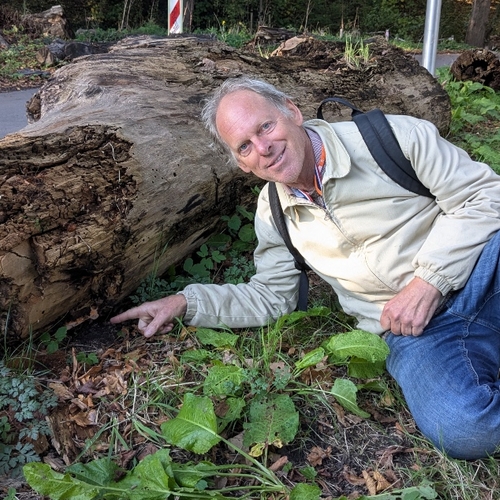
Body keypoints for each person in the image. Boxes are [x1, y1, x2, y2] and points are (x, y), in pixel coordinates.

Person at [111, 77, 500, 460]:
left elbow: (484, 195)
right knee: (463, 426)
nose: (264, 148)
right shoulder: (273, 211)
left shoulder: (390, 138)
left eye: (266, 126)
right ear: (241, 164)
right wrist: (185, 302)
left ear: (292, 111)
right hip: (416, 333)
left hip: (481, 271)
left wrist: (427, 281)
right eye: (245, 146)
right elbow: (271, 295)